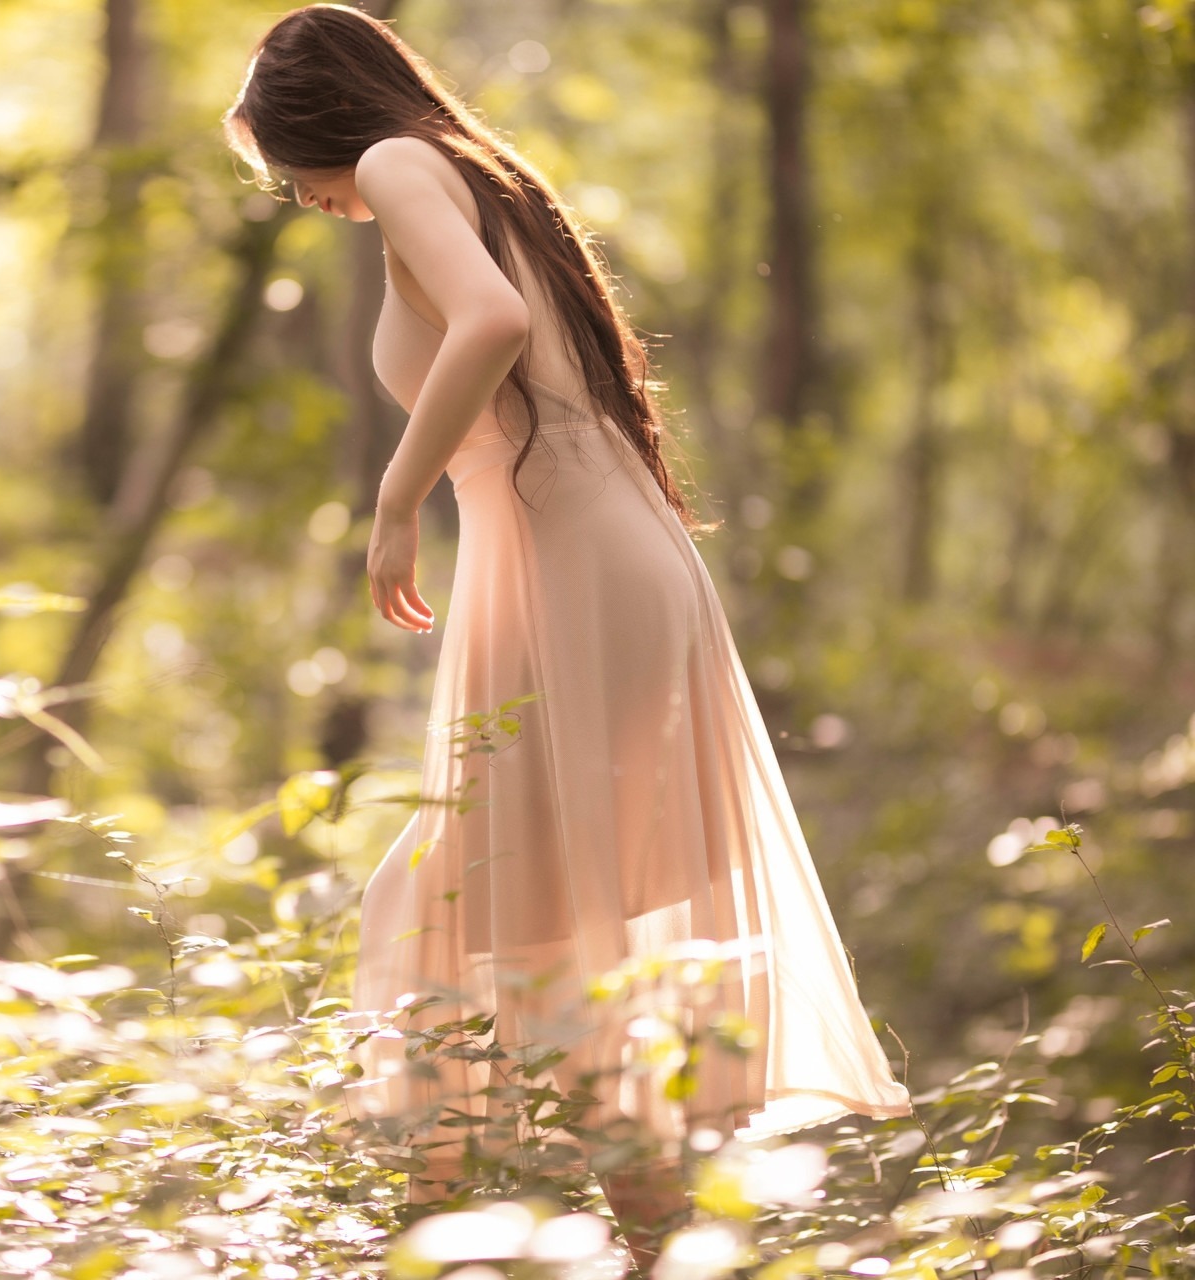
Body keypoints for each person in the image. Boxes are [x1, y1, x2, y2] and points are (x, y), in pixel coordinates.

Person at [222, 2, 913, 1264]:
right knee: (524, 906)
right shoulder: (462, 166)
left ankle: (516, 1225)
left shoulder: (396, 162)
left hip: (572, 555)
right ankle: (591, 1225)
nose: (294, 193)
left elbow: (492, 323)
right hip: (570, 547)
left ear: (320, 120)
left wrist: (393, 501)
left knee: (480, 902)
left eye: (280, 164)